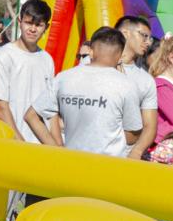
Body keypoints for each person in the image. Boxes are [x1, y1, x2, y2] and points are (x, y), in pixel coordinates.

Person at [25, 27, 144, 158]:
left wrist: (56, 150)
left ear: (91, 52)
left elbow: (31, 116)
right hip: (109, 168)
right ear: (121, 56)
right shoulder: (127, 85)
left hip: (72, 164)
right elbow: (133, 134)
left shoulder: (64, 78)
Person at [0, 0, 54, 143]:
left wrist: (57, 146)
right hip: (12, 145)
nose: (32, 29)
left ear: (46, 27)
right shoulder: (4, 56)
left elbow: (50, 108)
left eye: (38, 25)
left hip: (41, 147)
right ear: (20, 22)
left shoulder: (47, 59)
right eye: (29, 23)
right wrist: (20, 144)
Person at [113, 16, 157, 160]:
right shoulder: (94, 65)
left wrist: (136, 152)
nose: (148, 42)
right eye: (144, 36)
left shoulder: (146, 80)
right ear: (125, 33)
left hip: (125, 154)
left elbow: (149, 125)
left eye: (150, 38)